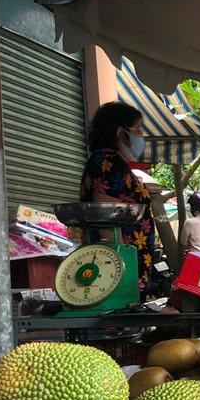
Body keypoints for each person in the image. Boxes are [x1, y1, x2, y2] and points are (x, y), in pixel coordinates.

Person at [80, 102, 156, 296]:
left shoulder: (108, 161)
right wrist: (119, 264)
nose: (142, 135)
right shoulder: (109, 161)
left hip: (122, 263)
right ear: (122, 133)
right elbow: (105, 211)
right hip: (120, 267)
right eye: (139, 129)